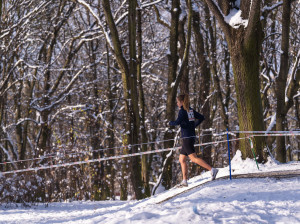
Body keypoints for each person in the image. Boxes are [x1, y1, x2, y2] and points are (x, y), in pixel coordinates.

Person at [169, 94, 218, 187]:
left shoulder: (182, 111)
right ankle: (184, 181)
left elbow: (177, 122)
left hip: (187, 138)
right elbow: (201, 117)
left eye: (178, 102)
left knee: (194, 159)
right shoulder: (190, 110)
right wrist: (193, 125)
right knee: (182, 159)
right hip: (189, 137)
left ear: (182, 102)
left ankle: (212, 169)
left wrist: (169, 123)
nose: (177, 103)